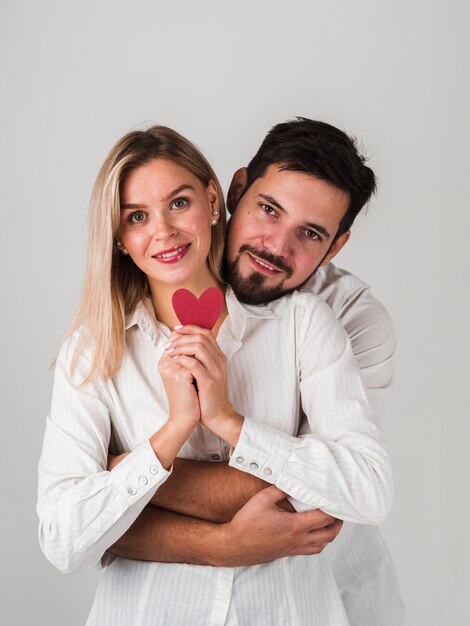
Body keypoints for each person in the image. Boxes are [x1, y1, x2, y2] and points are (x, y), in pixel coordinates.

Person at [37, 123, 393, 626]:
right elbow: (62, 539)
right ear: (234, 192)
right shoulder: (94, 351)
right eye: (137, 216)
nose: (163, 230)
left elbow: (356, 492)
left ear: (209, 201)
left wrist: (220, 425)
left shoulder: (316, 320)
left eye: (178, 203)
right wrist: (171, 436)